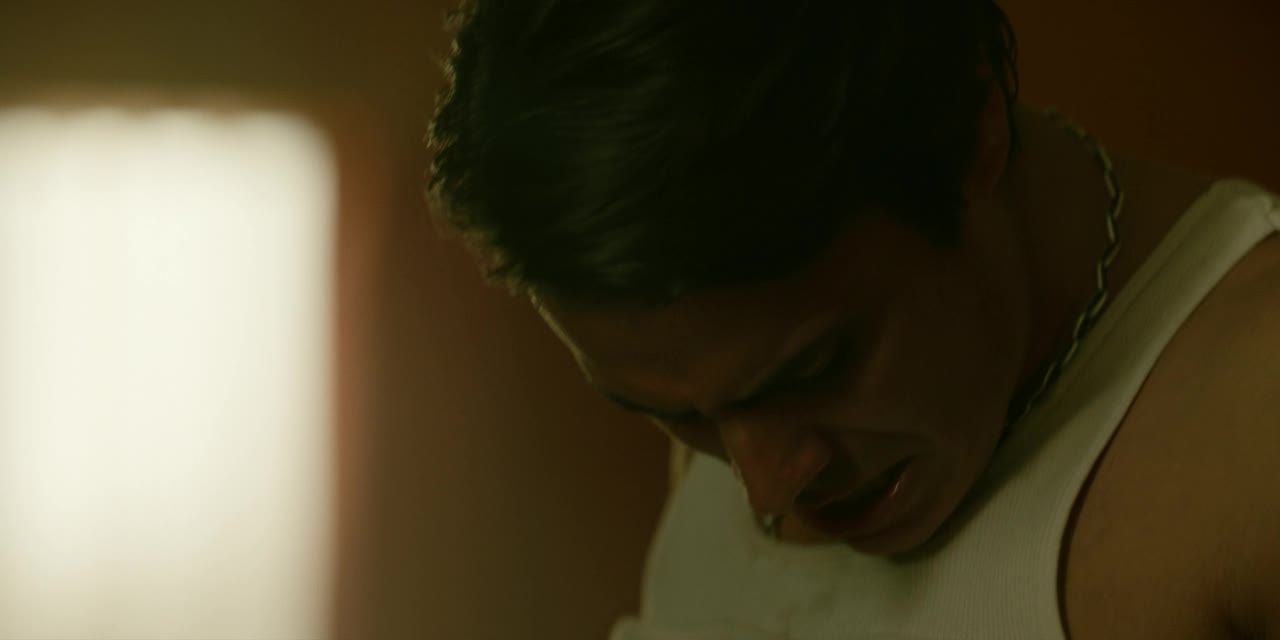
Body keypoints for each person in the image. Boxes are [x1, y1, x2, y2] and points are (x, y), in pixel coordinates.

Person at [426, 1, 1280, 637]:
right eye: (677, 416)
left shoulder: (1252, 422)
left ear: (970, 127)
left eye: (817, 369)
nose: (767, 490)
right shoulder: (729, 376)